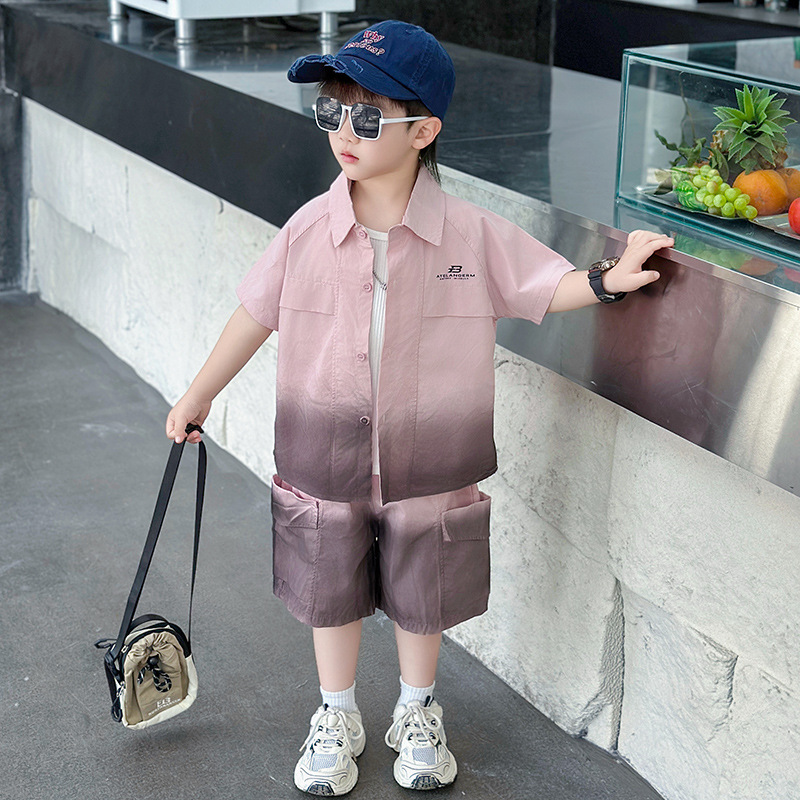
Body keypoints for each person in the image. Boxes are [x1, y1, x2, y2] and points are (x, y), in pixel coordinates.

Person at [166, 20, 673, 796]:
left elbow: (542, 285)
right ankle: (336, 711)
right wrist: (199, 393)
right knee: (328, 585)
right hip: (324, 451)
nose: (344, 131)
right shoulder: (307, 230)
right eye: (331, 111)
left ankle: (417, 708)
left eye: (368, 118)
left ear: (424, 131)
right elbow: (254, 313)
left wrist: (610, 279)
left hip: (430, 457)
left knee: (423, 587)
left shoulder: (468, 233)